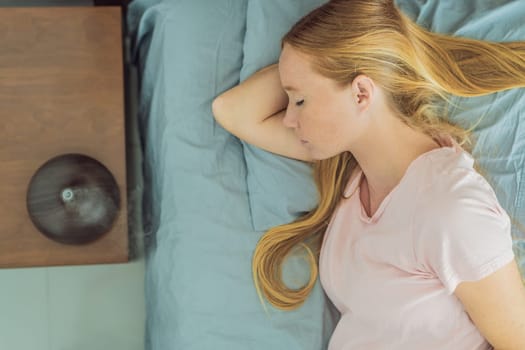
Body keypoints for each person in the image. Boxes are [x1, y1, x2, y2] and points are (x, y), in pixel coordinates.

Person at [212, 0, 525, 349]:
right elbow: (232, 110)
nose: (288, 118)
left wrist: (334, 61)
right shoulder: (355, 173)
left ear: (361, 93)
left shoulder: (451, 209)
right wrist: (313, 63)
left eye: (299, 102)